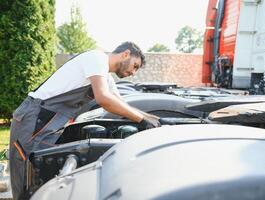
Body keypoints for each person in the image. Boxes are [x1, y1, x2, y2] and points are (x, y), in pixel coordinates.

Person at [9, 41, 161, 199]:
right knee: (27, 176)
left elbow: (121, 103)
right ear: (126, 54)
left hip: (49, 122)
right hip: (35, 118)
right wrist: (142, 119)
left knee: (43, 176)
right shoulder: (96, 59)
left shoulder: (105, 76)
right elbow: (104, 98)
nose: (133, 73)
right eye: (135, 66)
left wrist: (153, 119)